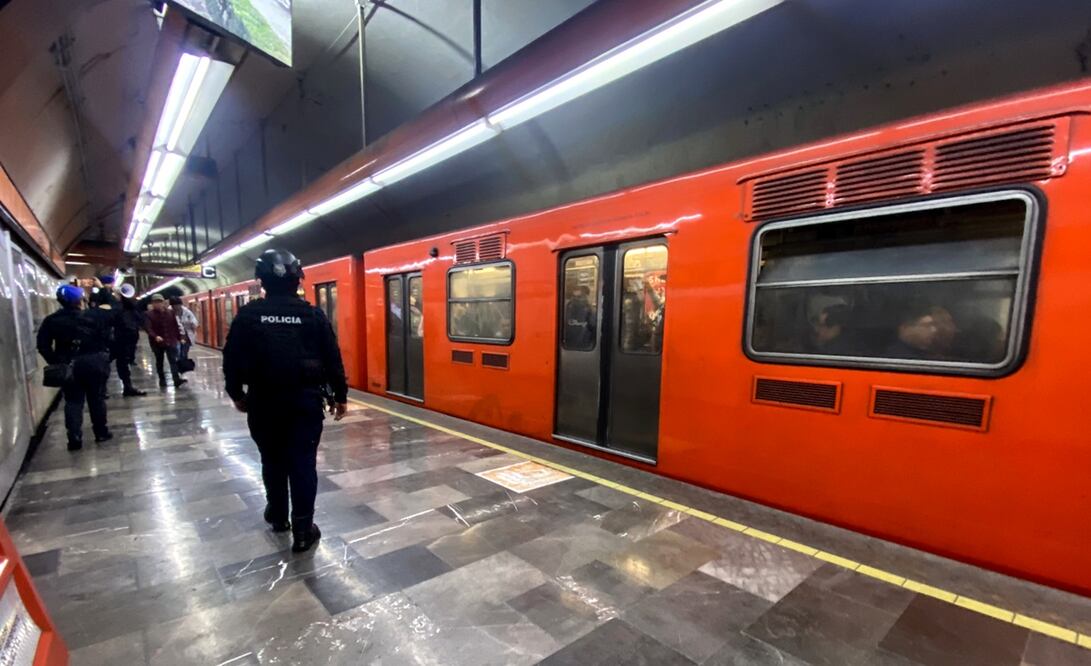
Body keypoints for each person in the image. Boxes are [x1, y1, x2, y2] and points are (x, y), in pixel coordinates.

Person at [223, 249, 348, 553]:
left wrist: (237, 394)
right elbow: (333, 359)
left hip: (263, 403)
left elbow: (232, 359)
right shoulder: (313, 315)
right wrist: (340, 396)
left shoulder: (248, 316)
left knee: (272, 460)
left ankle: (278, 516)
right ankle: (303, 530)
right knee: (303, 464)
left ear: (261, 280)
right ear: (297, 279)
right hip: (304, 403)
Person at [36, 285, 114, 450]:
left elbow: (43, 345)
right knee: (97, 399)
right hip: (94, 362)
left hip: (69, 365)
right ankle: (101, 432)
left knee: (73, 402)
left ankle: (75, 437)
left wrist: (56, 361)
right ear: (80, 300)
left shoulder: (51, 320)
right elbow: (108, 334)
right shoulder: (94, 316)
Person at [145, 294, 185, 388]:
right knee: (159, 361)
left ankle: (176, 379)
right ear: (152, 304)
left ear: (163, 302)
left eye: (160, 302)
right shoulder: (148, 314)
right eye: (156, 302)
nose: (158, 304)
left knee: (173, 361)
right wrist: (155, 336)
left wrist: (180, 337)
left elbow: (175, 326)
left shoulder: (171, 312)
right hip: (157, 343)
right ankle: (162, 380)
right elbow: (148, 328)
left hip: (170, 340)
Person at [115, 285, 146, 396]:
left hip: (119, 340)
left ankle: (126, 387)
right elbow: (140, 320)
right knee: (123, 365)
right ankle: (127, 387)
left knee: (121, 364)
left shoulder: (117, 308)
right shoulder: (131, 308)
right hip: (123, 340)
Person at [170, 296, 199, 361]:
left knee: (184, 352)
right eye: (174, 306)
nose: (177, 307)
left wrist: (193, 324)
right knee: (177, 351)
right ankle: (178, 363)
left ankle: (182, 365)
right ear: (172, 306)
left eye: (178, 305)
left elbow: (194, 321)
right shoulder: (169, 312)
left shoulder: (187, 312)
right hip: (175, 335)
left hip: (186, 336)